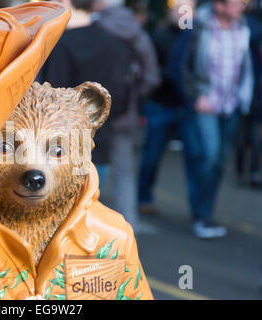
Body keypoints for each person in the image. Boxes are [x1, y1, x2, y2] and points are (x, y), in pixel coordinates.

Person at [38, 0, 159, 232]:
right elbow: (122, 91)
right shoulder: (113, 42)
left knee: (61, 219)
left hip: (61, 147)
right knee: (90, 205)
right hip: (101, 139)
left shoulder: (61, 44)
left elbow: (49, 98)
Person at [182, 0, 254, 239]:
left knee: (220, 161)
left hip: (231, 104)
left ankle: (204, 212)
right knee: (210, 156)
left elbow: (247, 67)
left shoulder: (244, 29)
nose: (242, 7)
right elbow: (184, 66)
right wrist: (197, 96)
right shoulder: (199, 27)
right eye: (236, 3)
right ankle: (202, 215)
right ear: (219, 5)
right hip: (207, 104)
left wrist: (246, 96)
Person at [137, 0, 202, 217]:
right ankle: (144, 197)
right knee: (152, 156)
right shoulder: (159, 36)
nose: (183, 13)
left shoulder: (197, 36)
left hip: (186, 107)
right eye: (179, 7)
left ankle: (198, 209)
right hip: (161, 105)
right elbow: (151, 70)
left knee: (194, 157)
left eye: (188, 8)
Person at [235, 6, 262, 189]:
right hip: (245, 94)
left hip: (256, 95)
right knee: (242, 137)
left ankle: (253, 172)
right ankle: (241, 171)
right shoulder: (250, 31)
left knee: (255, 136)